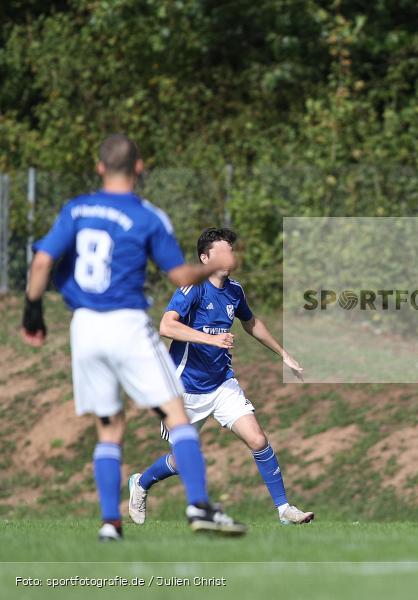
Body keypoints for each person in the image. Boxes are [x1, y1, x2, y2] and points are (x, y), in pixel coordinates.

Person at [21, 134, 246, 541]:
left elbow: (41, 261)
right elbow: (179, 276)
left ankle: (111, 523)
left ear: (100, 167)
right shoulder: (148, 216)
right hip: (126, 324)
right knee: (176, 414)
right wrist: (215, 265)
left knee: (108, 428)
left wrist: (32, 311)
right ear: (139, 168)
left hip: (84, 327)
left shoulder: (76, 210)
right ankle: (198, 505)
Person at [127, 227, 314, 526]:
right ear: (205, 258)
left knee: (257, 439)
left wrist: (284, 354)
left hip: (221, 383)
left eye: (231, 250)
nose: (230, 256)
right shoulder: (193, 288)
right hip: (184, 388)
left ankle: (284, 510)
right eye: (222, 251)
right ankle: (141, 483)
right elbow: (166, 326)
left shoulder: (234, 290)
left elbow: (251, 323)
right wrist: (210, 339)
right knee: (181, 461)